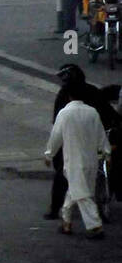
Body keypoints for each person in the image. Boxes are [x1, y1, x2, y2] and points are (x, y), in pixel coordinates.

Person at [46, 63, 118, 218]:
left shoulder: (64, 97)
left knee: (62, 174)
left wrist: (50, 153)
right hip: (93, 146)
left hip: (72, 145)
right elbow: (109, 117)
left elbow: (57, 127)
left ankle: (56, 211)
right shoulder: (92, 93)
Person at [45, 83, 109, 238]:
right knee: (78, 190)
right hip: (91, 161)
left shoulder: (65, 113)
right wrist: (106, 153)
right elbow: (101, 135)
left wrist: (49, 154)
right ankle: (66, 222)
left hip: (73, 161)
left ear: (69, 96)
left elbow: (56, 137)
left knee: (81, 194)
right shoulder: (92, 113)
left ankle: (95, 226)